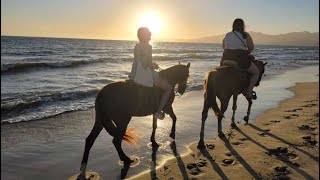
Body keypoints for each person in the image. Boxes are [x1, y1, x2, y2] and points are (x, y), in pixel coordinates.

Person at [129, 27, 172, 119]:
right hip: (145, 75)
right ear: (144, 35)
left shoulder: (137, 46)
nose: (151, 34)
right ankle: (158, 111)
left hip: (135, 74)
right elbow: (148, 64)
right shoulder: (149, 47)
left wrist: (151, 64)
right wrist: (154, 66)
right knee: (168, 88)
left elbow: (140, 62)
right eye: (149, 33)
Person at [220, 18, 259, 99]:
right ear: (243, 26)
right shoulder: (245, 35)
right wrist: (247, 52)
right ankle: (249, 92)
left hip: (226, 58)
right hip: (240, 59)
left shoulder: (227, 34)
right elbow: (251, 47)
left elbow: (224, 46)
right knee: (256, 72)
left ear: (233, 25)